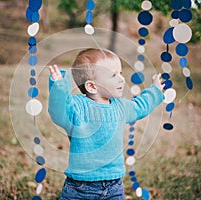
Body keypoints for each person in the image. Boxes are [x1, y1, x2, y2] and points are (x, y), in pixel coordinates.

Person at [48, 48, 164, 199]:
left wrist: (155, 90)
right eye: (113, 75)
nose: (122, 79)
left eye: (120, 73)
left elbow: (141, 106)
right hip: (79, 188)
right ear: (92, 86)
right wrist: (59, 87)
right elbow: (58, 111)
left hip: (114, 186)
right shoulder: (77, 107)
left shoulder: (121, 106)